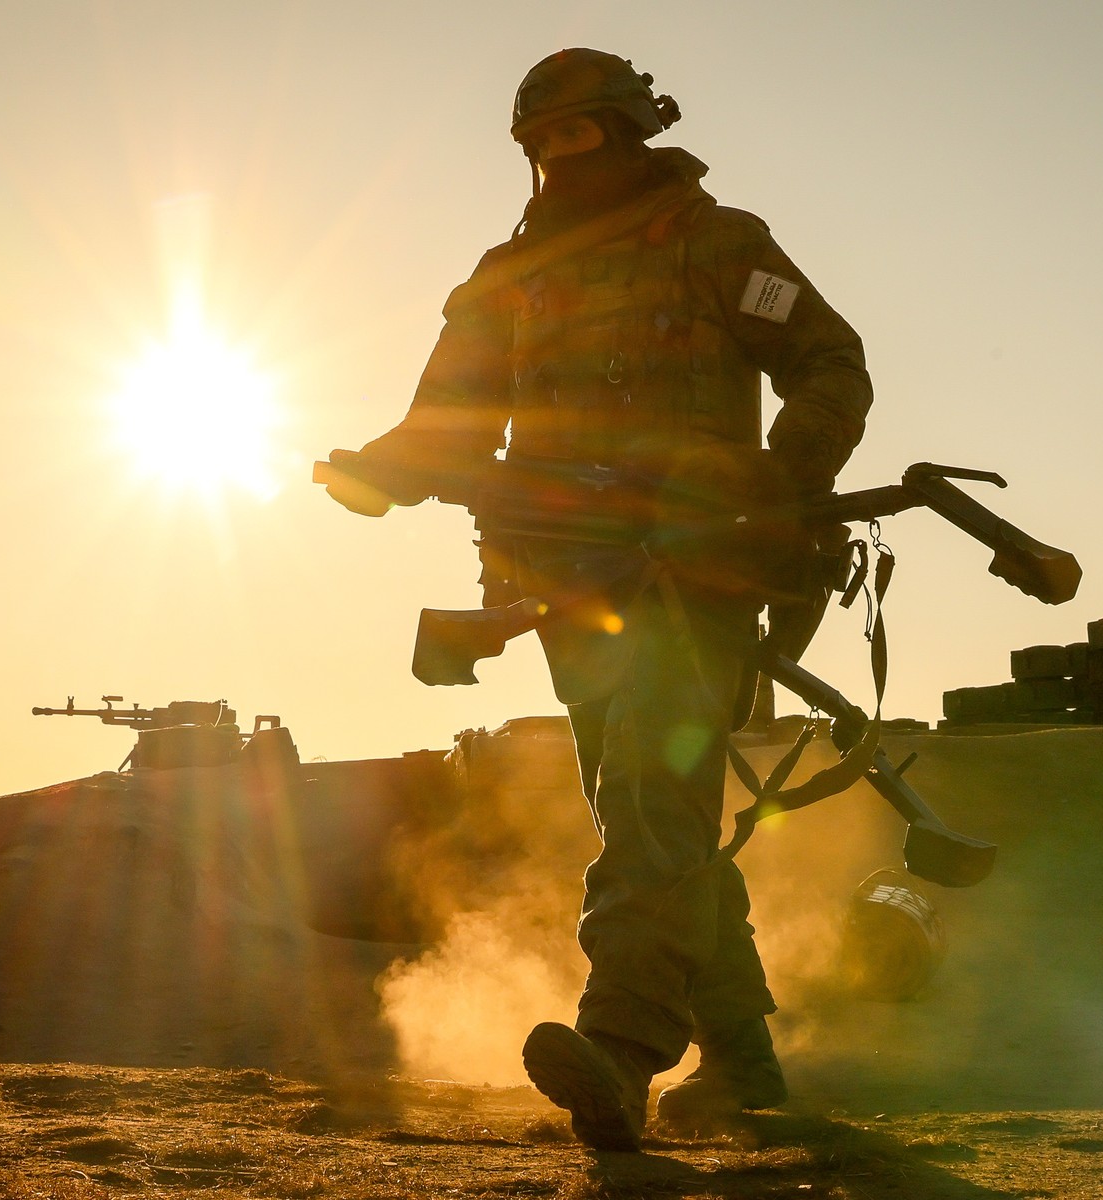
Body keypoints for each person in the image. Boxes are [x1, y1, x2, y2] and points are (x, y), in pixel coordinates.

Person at [327, 48, 872, 1150]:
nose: (560, 160)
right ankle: (744, 1065)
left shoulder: (722, 246)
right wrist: (379, 472)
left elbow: (831, 364)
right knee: (649, 819)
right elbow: (449, 421)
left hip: (698, 575)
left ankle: (620, 1056)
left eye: (580, 136)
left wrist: (776, 476)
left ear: (628, 133)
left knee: (649, 803)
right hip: (560, 583)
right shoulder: (506, 277)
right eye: (542, 144)